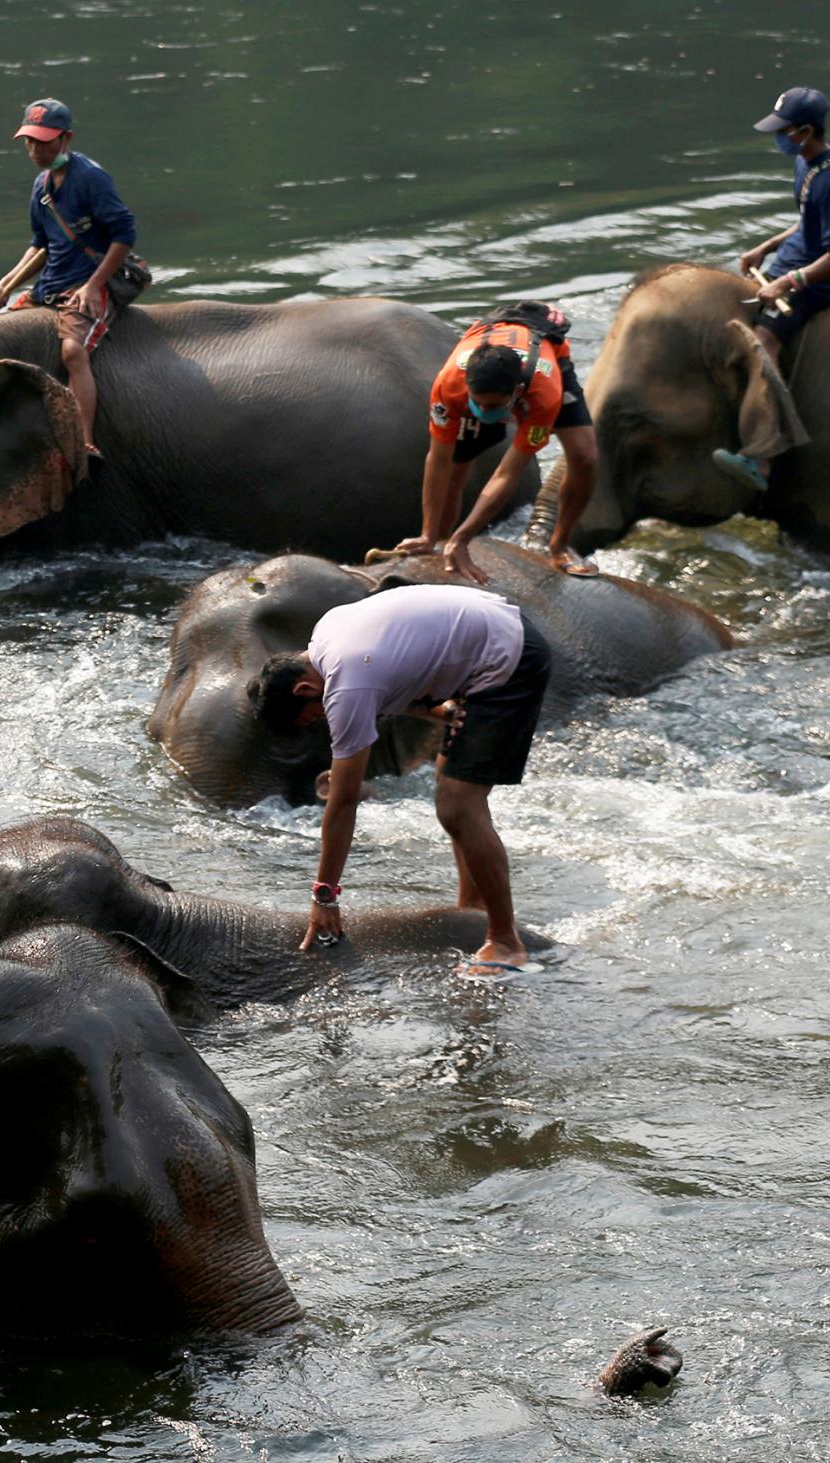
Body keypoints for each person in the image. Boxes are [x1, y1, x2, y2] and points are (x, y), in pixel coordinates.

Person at [250, 583, 553, 978]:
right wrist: (438, 712)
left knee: (458, 806)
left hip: (506, 659)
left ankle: (507, 942)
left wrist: (324, 896)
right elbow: (393, 664)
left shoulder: (344, 683)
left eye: (316, 717)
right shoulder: (326, 636)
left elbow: (342, 801)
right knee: (450, 790)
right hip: (493, 630)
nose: (325, 719)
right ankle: (474, 911)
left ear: (304, 689)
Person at [0, 98, 149, 469]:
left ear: (66, 138)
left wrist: (92, 286)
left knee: (73, 351)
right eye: (30, 141)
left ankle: (83, 441)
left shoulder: (91, 177)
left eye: (43, 141)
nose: (35, 149)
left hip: (91, 282)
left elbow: (124, 236)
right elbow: (40, 245)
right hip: (52, 284)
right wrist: (5, 284)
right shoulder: (41, 186)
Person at [717, 86, 830, 495]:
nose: (779, 137)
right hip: (799, 254)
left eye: (785, 130)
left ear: (806, 131)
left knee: (765, 340)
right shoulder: (807, 164)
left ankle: (761, 457)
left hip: (818, 275)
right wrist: (765, 247)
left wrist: (788, 282)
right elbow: (807, 221)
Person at [393, 303, 602, 579]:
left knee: (585, 456)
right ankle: (438, 542)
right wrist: (426, 533)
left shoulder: (544, 395)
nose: (485, 412)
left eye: (494, 407)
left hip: (548, 365)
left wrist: (464, 536)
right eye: (479, 404)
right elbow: (438, 460)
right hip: (489, 361)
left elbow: (507, 473)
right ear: (467, 387)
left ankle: (560, 545)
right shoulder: (449, 386)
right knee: (456, 469)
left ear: (516, 392)